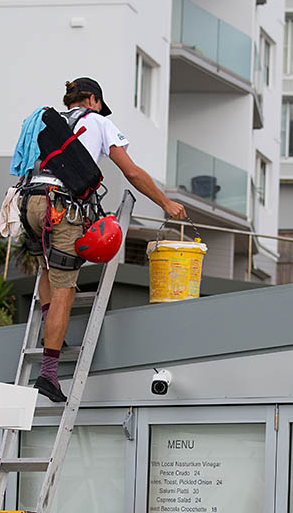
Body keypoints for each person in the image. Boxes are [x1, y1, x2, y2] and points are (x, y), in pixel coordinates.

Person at [19, 77, 186, 403]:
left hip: (29, 203)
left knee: (45, 268)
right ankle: (49, 374)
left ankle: (49, 331)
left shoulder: (43, 120)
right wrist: (166, 203)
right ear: (93, 100)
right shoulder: (99, 122)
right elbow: (132, 172)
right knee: (65, 285)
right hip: (62, 206)